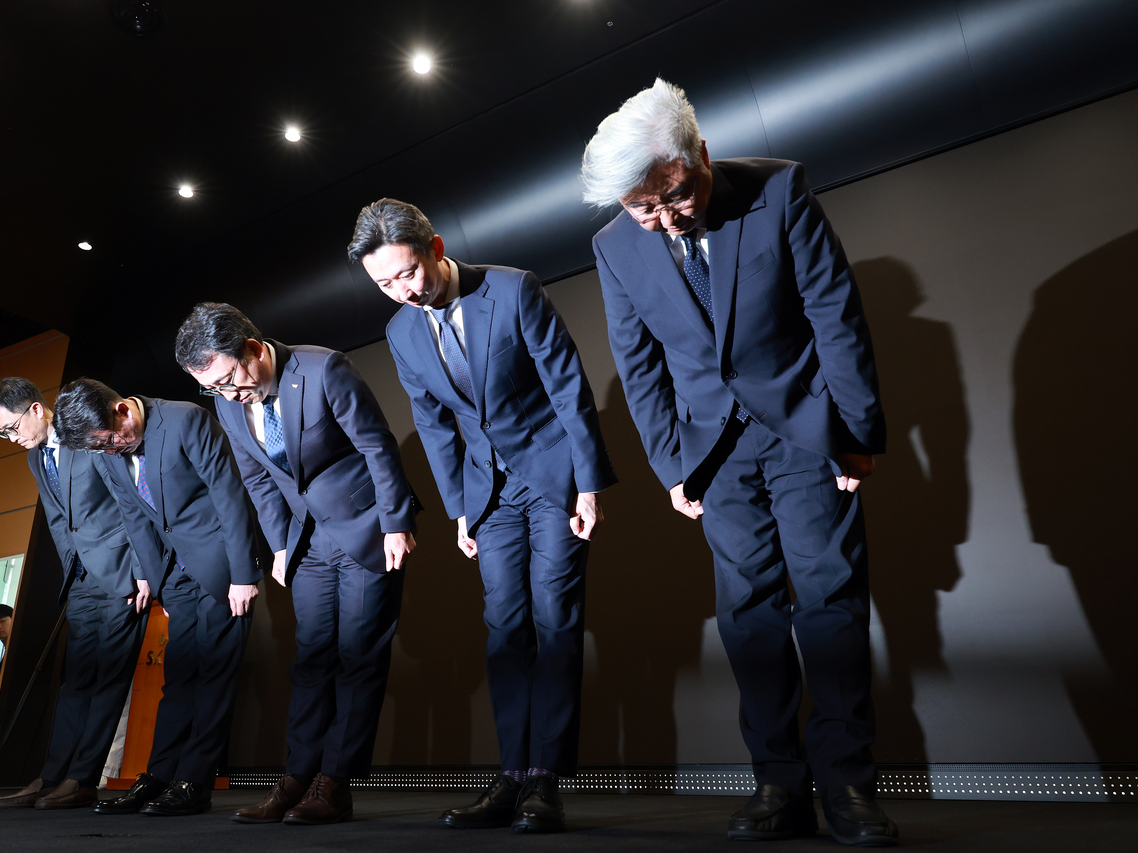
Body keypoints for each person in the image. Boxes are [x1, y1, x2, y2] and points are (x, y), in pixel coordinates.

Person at [580, 78, 896, 846]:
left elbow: (835, 313)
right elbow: (639, 361)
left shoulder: (780, 190)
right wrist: (672, 467)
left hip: (803, 431)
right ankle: (777, 783)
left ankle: (849, 786)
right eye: (641, 208)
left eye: (673, 197)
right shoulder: (615, 246)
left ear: (700, 157)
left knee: (830, 601)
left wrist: (855, 433)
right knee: (749, 616)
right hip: (712, 453)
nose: (660, 220)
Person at [349, 199, 616, 834]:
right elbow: (434, 425)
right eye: (383, 284)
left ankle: (545, 780)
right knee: (505, 629)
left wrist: (587, 482)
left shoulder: (512, 287)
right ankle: (512, 776)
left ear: (435, 247)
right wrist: (459, 512)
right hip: (486, 494)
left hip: (553, 477)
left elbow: (568, 384)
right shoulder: (401, 331)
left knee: (554, 617)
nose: (401, 292)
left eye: (406, 273)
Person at [174, 302, 420, 825]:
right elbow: (258, 479)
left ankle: (335, 784)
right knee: (311, 663)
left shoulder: (323, 368)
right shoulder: (228, 403)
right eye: (211, 388)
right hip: (306, 542)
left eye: (228, 380)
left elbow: (377, 446)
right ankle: (296, 778)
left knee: (358, 658)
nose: (227, 394)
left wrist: (397, 522)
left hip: (365, 526)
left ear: (254, 350)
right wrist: (281, 546)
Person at [54, 378, 262, 817]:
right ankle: (159, 775)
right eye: (99, 449)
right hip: (175, 576)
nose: (109, 451)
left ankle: (194, 782)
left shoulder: (185, 419)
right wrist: (160, 584)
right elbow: (134, 517)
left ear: (122, 411)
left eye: (108, 441)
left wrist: (244, 575)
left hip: (222, 568)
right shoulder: (109, 452)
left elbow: (230, 496)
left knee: (214, 677)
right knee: (179, 679)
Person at [0, 378, 157, 810]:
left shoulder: (87, 433)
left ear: (38, 410)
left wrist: (143, 569)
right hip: (80, 580)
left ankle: (82, 779)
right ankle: (52, 775)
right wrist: (72, 572)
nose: (11, 438)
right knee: (76, 682)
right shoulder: (37, 458)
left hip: (121, 573)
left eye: (12, 427)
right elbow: (60, 522)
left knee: (108, 680)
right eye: (2, 433)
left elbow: (131, 500)